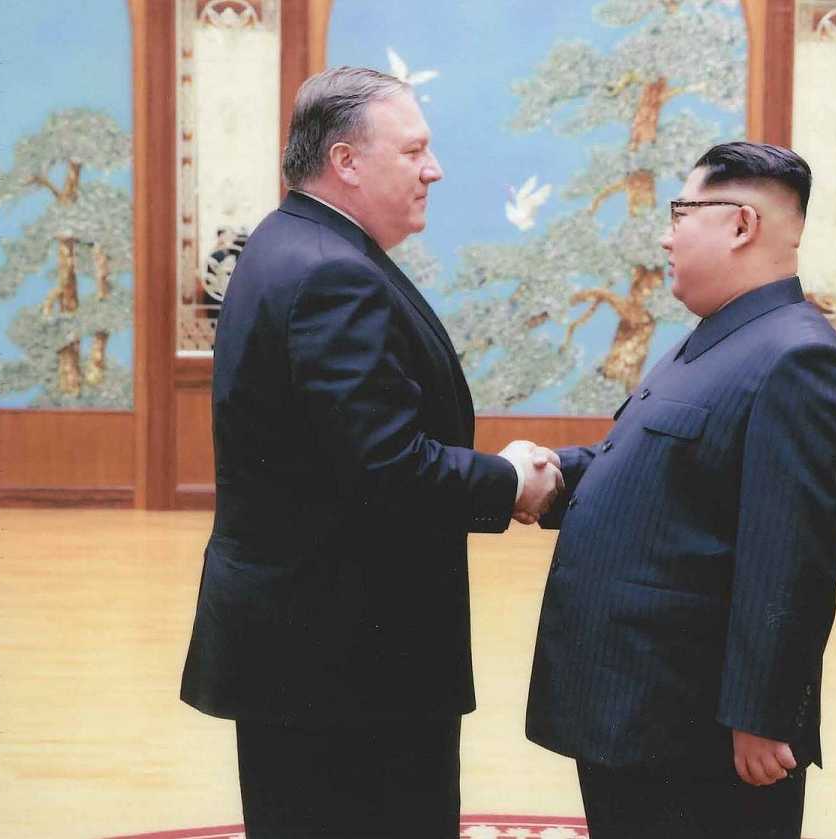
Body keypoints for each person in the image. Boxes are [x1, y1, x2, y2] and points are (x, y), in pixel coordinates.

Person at [179, 66, 562, 839]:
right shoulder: (330, 273)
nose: (435, 168)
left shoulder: (290, 241)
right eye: (415, 150)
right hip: (345, 659)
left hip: (312, 643)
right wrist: (509, 478)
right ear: (347, 161)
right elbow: (386, 469)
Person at [525, 142, 836, 838]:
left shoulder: (796, 355)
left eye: (682, 211)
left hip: (698, 726)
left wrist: (763, 714)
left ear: (741, 224)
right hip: (641, 706)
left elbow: (791, 556)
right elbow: (649, 470)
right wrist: (551, 476)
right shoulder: (714, 339)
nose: (665, 232)